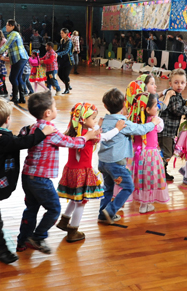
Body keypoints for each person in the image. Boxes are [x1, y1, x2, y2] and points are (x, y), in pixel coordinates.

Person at [0, 99, 53, 264]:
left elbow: (15, 140)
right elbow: (21, 143)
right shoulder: (1, 138)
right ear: (8, 119)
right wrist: (42, 133)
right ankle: (3, 251)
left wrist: (27, 130)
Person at [16, 91, 97, 254]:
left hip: (27, 176)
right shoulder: (50, 130)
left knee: (31, 209)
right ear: (48, 113)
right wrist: (87, 136)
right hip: (40, 179)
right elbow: (71, 142)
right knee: (54, 209)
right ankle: (38, 237)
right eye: (55, 107)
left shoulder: (34, 127)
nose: (57, 110)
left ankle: (22, 241)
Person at [98, 88, 158, 223]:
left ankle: (103, 215)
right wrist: (153, 123)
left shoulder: (104, 120)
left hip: (102, 162)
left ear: (105, 106)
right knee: (128, 187)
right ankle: (110, 211)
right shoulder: (122, 123)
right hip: (116, 163)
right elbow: (140, 129)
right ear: (124, 104)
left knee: (108, 189)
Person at [56, 103, 114, 240]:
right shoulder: (88, 135)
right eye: (93, 118)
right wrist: (117, 128)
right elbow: (105, 137)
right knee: (81, 202)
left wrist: (97, 125)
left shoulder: (74, 132)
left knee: (75, 198)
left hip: (71, 170)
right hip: (82, 172)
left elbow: (93, 133)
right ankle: (73, 231)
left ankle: (64, 221)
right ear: (83, 119)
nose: (95, 121)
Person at [127, 92, 169, 213]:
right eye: (156, 106)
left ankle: (142, 203)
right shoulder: (157, 121)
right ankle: (145, 204)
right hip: (150, 155)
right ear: (147, 109)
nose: (158, 108)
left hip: (136, 154)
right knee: (148, 178)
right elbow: (160, 128)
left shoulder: (134, 120)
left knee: (139, 178)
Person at [157, 69, 187, 182]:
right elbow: (177, 110)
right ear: (170, 83)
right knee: (166, 153)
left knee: (168, 151)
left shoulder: (178, 95)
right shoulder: (172, 94)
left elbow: (181, 103)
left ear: (185, 84)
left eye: (182, 82)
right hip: (166, 131)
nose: (179, 85)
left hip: (170, 131)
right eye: (176, 82)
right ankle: (158, 173)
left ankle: (162, 171)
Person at [0, 20, 29, 105]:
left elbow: (6, 45)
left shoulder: (13, 34)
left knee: (13, 78)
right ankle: (22, 98)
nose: (6, 27)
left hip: (19, 58)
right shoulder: (14, 34)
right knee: (18, 78)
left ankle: (15, 98)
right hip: (21, 58)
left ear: (12, 26)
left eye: (7, 25)